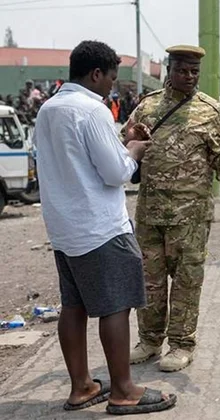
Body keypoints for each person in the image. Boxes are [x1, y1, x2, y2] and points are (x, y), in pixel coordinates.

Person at [34, 40, 176, 415]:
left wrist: (121, 140)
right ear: (96, 74)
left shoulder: (48, 109)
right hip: (100, 228)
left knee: (74, 306)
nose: (112, 87)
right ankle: (123, 390)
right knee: (117, 306)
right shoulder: (91, 111)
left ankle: (81, 386)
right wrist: (133, 150)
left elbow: (76, 159)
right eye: (111, 79)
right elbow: (115, 173)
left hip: (64, 228)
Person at [124, 45, 220, 372]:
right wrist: (130, 136)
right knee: (149, 280)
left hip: (191, 216)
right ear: (169, 69)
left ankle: (182, 344)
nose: (189, 76)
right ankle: (149, 339)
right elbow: (124, 146)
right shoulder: (147, 107)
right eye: (182, 70)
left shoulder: (211, 112)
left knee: (187, 280)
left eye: (194, 72)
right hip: (151, 212)